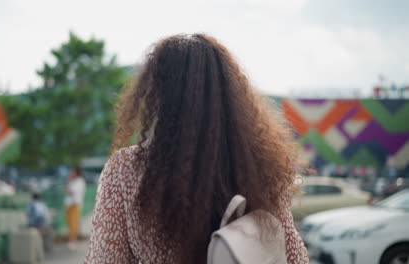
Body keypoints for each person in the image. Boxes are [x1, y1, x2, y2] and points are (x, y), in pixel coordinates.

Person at [85, 34, 308, 264]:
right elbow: (295, 257)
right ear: (230, 95)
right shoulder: (258, 166)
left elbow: (105, 259)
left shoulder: (126, 169)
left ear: (157, 95)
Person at [64, 166, 86, 249]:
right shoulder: (73, 181)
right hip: (69, 204)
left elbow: (72, 192)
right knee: (70, 223)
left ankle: (73, 241)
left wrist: (68, 184)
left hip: (75, 204)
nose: (71, 173)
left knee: (73, 223)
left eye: (73, 171)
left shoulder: (80, 181)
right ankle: (71, 240)